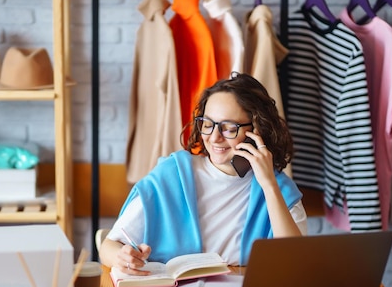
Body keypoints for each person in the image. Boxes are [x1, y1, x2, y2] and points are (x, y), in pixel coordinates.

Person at [99, 72, 307, 274]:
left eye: (228, 128)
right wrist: (123, 258)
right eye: (207, 124)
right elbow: (109, 246)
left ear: (258, 130)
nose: (214, 137)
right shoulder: (171, 175)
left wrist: (269, 185)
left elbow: (294, 265)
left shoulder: (280, 190)